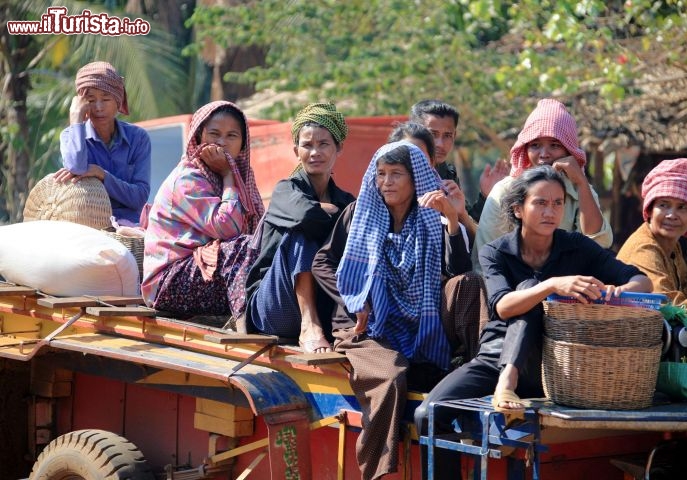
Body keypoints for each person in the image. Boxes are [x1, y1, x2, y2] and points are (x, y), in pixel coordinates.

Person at [415, 165, 652, 479]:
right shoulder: (495, 251)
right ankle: (504, 384)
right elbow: (502, 306)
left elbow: (642, 281)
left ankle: (507, 385)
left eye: (557, 203)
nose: (550, 211)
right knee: (426, 415)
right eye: (540, 203)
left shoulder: (577, 246)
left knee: (530, 290)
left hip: (550, 364)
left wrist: (615, 292)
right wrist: (552, 286)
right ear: (518, 209)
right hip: (494, 359)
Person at [316, 141, 472, 480]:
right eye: (381, 174)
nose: (386, 181)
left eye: (396, 174)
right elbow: (323, 264)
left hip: (421, 321)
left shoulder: (432, 216)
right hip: (365, 326)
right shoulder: (360, 213)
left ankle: (477, 365)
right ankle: (376, 471)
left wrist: (452, 218)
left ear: (416, 179)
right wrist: (357, 300)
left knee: (468, 283)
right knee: (391, 377)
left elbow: (458, 268)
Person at [245, 103, 355, 353]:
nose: (315, 152)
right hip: (274, 308)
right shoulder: (286, 190)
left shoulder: (346, 200)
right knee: (300, 233)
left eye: (324, 144)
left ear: (339, 148)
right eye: (307, 145)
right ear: (296, 151)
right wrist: (336, 218)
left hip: (326, 303)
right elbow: (305, 216)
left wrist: (332, 211)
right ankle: (309, 325)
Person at [142, 101, 264, 321]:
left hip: (208, 273)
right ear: (199, 136)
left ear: (242, 144)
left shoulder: (243, 179)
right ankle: (247, 319)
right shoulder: (188, 178)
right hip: (169, 282)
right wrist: (227, 175)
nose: (222, 143)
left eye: (232, 136)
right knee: (244, 247)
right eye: (214, 134)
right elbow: (229, 229)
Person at [474, 98, 613, 256]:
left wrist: (581, 182)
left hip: (572, 278)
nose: (544, 155)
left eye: (554, 145)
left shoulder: (580, 191)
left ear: (568, 151)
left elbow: (599, 244)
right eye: (535, 145)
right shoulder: (505, 192)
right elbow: (486, 256)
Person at [617, 158, 687, 322]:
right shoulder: (644, 246)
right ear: (650, 210)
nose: (671, 215)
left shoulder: (672, 245)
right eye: (663, 205)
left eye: (682, 207)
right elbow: (666, 301)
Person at [54, 61, 151, 224]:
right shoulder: (69, 136)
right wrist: (76, 119)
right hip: (89, 226)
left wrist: (102, 174)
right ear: (82, 104)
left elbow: (139, 197)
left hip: (131, 228)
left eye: (106, 99)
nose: (98, 107)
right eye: (91, 100)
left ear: (118, 102)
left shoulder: (138, 138)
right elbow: (76, 167)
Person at [409, 100, 509, 229]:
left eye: (447, 135)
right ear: (414, 133)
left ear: (454, 136)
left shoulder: (446, 173)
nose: (440, 144)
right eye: (433, 134)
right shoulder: (398, 170)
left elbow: (467, 224)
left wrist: (485, 195)